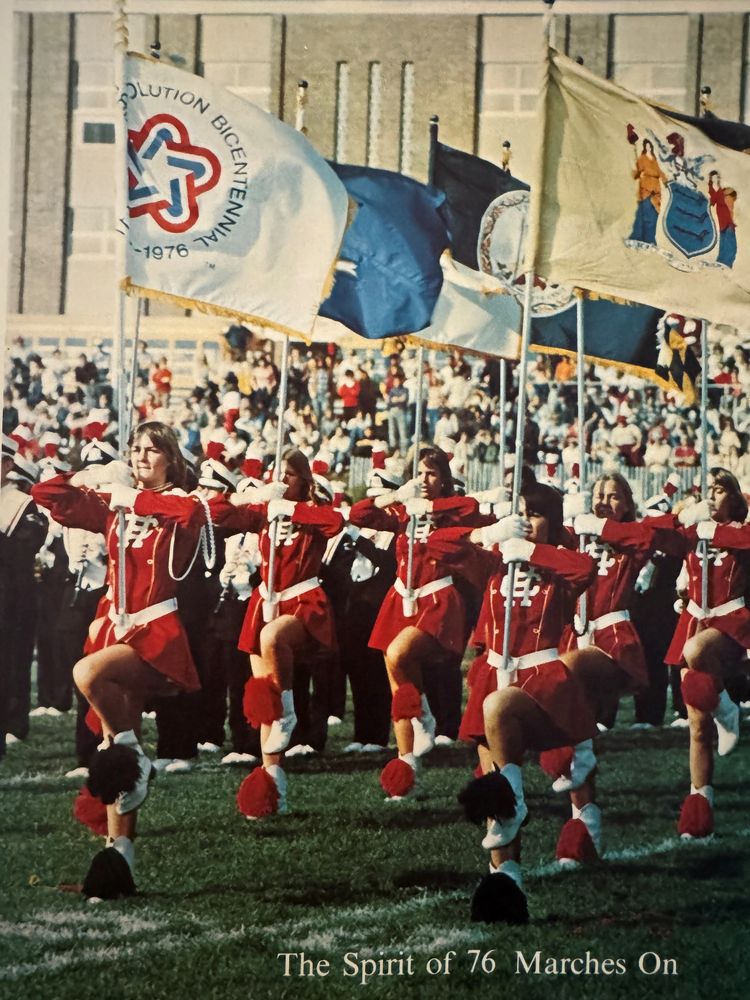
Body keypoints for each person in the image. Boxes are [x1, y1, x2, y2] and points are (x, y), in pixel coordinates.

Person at [32, 421, 210, 899]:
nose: (141, 458)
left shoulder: (183, 503)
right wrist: (83, 477)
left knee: (86, 675)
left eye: (152, 451)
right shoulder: (116, 502)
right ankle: (118, 862)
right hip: (115, 628)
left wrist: (127, 497)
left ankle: (136, 758)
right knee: (113, 744)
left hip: (156, 634)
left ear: (171, 458)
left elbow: (185, 514)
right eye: (135, 450)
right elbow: (47, 494)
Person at [456, 482, 596, 923]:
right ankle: (506, 886)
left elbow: (585, 569)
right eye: (519, 513)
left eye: (534, 514)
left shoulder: (555, 563)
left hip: (542, 678)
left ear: (551, 520)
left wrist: (530, 551)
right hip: (496, 672)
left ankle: (527, 805)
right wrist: (490, 533)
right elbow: (440, 550)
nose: (526, 521)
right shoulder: (496, 560)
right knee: (491, 780)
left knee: (500, 716)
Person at [209, 449, 343, 818]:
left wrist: (292, 510)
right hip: (264, 602)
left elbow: (335, 523)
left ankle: (290, 715)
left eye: (289, 474)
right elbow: (218, 516)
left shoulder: (313, 512)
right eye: (276, 472)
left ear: (303, 479)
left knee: (273, 641)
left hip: (303, 601)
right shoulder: (264, 512)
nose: (282, 480)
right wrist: (248, 495)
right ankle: (273, 785)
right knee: (265, 696)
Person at [348, 446, 488, 800]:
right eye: (419, 474)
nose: (425, 481)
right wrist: (396, 496)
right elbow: (358, 514)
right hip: (400, 599)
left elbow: (469, 507)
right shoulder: (404, 509)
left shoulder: (452, 511)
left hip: (437, 600)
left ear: (443, 478)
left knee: (399, 655)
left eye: (431, 474)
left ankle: (425, 717)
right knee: (399, 684)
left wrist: (426, 507)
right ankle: (406, 767)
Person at [660, 469, 750, 838]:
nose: (711, 497)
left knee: (696, 651)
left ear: (734, 497)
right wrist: (680, 516)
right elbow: (650, 532)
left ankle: (727, 706)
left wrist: (711, 530)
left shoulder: (740, 532)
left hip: (731, 624)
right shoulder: (695, 532)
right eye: (706, 491)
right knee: (697, 726)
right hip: (696, 620)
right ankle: (700, 813)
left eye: (718, 490)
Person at [629, 138, 667, 245]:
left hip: (656, 188)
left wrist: (665, 181)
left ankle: (650, 239)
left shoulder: (655, 160)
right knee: (645, 214)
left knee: (654, 214)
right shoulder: (642, 158)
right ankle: (640, 238)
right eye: (646, 147)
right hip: (645, 187)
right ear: (644, 148)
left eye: (649, 146)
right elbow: (636, 171)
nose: (648, 148)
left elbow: (660, 173)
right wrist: (638, 174)